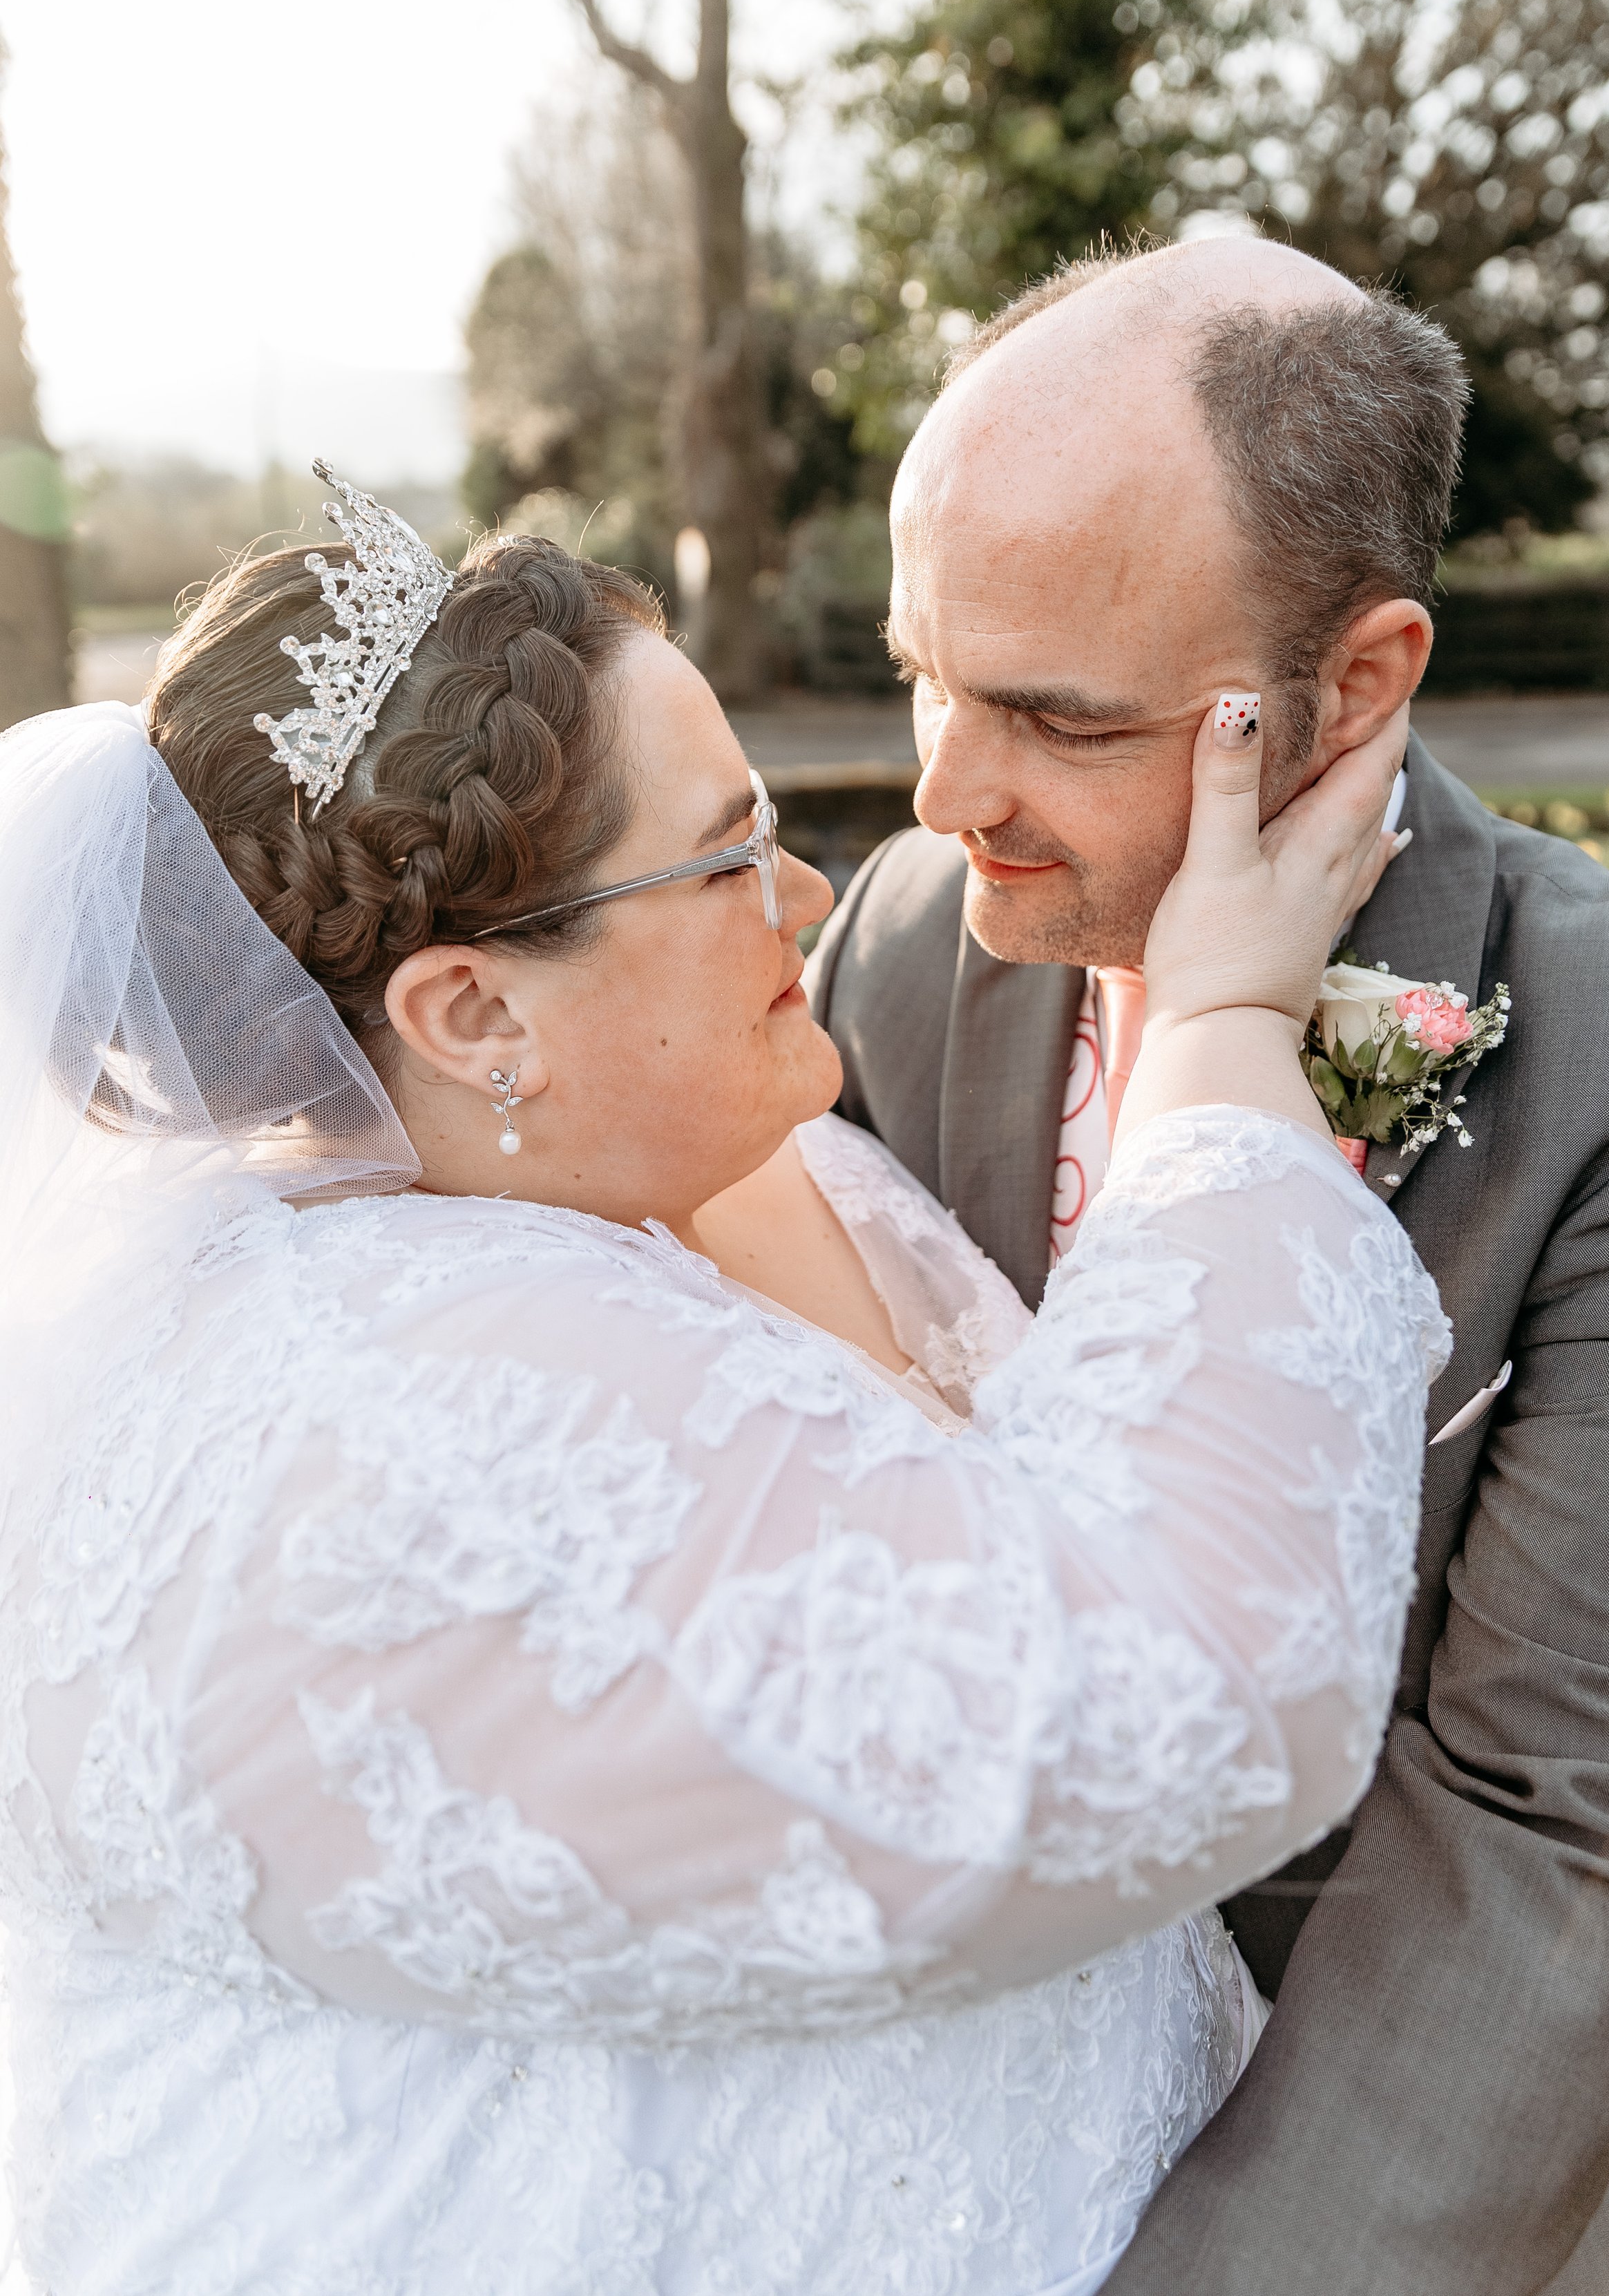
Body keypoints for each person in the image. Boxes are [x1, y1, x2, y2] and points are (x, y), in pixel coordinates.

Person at [0, 468, 1441, 2295]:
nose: (810, 890)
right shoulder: (424, 1400)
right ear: (469, 1017)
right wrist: (1225, 1034)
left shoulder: (688, 1149)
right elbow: (1166, 1702)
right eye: (722, 852)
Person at [809, 235, 1609, 2296]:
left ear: (1363, 679)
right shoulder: (889, 941)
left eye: (1053, 714)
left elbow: (1560, 1839)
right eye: (921, 676)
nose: (950, 794)